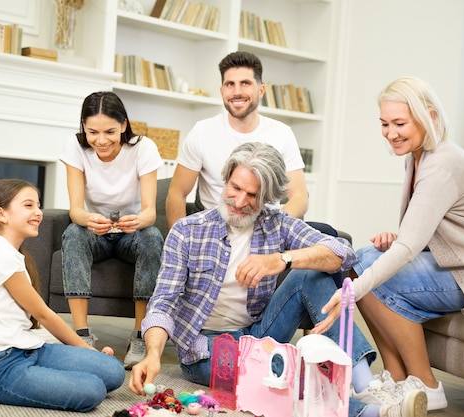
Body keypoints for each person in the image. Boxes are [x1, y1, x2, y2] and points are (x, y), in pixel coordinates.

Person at [130, 142, 428, 417]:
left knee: (310, 273)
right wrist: (153, 353)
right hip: (207, 349)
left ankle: (368, 386)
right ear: (226, 180)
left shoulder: (275, 223)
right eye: (235, 188)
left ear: (267, 199)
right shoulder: (187, 231)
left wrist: (282, 259)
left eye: (253, 195)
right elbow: (163, 303)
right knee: (284, 375)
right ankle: (373, 413)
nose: (239, 201)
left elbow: (343, 252)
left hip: (261, 333)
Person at [316, 76, 464, 411]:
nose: (391, 133)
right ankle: (397, 377)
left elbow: (408, 249)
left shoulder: (443, 164)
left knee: (367, 274)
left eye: (400, 123)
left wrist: (354, 289)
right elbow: (423, 232)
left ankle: (427, 385)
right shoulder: (416, 157)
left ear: (430, 117)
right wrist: (395, 239)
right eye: (384, 124)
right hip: (454, 261)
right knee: (363, 258)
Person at [0, 178, 124, 412]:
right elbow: (45, 315)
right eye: (28, 206)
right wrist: (87, 352)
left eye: (38, 206)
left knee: (113, 371)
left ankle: (49, 376)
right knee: (93, 390)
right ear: (1, 214)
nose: (38, 212)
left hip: (28, 348)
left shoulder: (12, 254)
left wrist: (92, 358)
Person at [165, 51, 338, 238]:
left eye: (245, 83)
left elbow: (299, 197)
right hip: (216, 231)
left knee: (327, 234)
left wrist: (272, 228)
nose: (237, 91)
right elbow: (177, 193)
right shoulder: (202, 131)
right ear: (222, 91)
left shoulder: (282, 133)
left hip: (264, 229)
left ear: (261, 90)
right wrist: (180, 243)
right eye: (230, 84)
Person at [60, 91, 164, 369]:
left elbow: (150, 213)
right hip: (97, 233)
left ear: (124, 125)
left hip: (132, 234)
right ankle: (82, 336)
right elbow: (75, 210)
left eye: (110, 131)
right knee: (72, 233)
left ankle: (140, 335)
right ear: (83, 126)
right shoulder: (75, 146)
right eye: (93, 131)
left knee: (152, 237)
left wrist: (138, 221)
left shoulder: (144, 148)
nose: (101, 140)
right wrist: (87, 220)